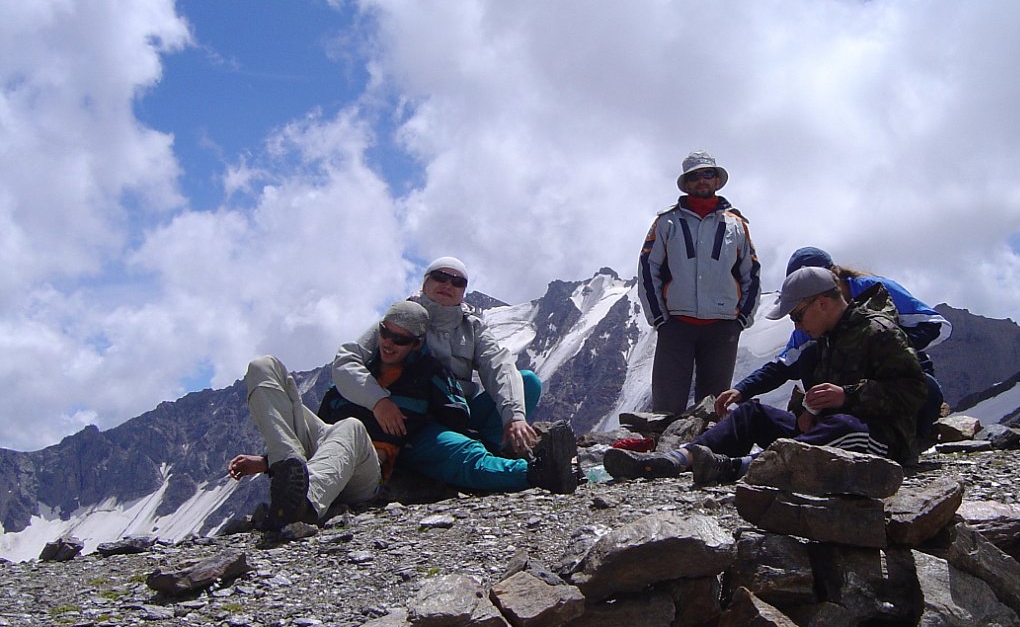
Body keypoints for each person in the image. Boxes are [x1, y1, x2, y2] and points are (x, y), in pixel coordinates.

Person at [604, 266, 927, 484]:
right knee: (752, 413)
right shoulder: (823, 344)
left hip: (880, 442)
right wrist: (807, 414)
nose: (796, 326)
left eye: (798, 316)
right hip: (828, 435)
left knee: (844, 427)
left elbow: (914, 391)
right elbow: (802, 388)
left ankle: (739, 468)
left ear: (824, 303)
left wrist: (849, 396)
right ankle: (677, 459)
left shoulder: (879, 332)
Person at [335, 259, 577, 494]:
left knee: (527, 383)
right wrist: (379, 401)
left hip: (459, 413)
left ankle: (491, 455)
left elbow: (498, 365)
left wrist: (513, 416)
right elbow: (347, 361)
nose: (447, 285)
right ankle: (537, 472)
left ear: (463, 291)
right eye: (440, 277)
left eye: (457, 282)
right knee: (463, 452)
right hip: (415, 422)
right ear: (425, 283)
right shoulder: (401, 320)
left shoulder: (471, 327)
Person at [227, 302, 437, 529]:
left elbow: (446, 428)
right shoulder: (353, 369)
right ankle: (285, 465)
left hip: (368, 471)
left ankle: (305, 500)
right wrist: (266, 462)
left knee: (351, 426)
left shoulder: (423, 378)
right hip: (329, 453)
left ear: (416, 345)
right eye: (385, 333)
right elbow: (325, 434)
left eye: (400, 339)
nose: (389, 343)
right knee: (263, 366)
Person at [719, 247, 950, 441]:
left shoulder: (876, 290)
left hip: (895, 374)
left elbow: (937, 325)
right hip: (848, 394)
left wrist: (883, 345)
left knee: (925, 387)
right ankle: (827, 427)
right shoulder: (811, 318)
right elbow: (785, 363)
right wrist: (742, 390)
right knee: (810, 356)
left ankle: (908, 438)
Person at [637, 151, 761, 414]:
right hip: (676, 326)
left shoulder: (737, 225)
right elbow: (649, 268)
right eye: (694, 176)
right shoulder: (666, 222)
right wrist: (660, 318)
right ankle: (661, 454)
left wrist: (742, 320)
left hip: (722, 327)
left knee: (713, 411)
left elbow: (752, 272)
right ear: (686, 183)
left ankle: (707, 456)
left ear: (717, 180)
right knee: (664, 410)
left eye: (708, 174)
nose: (701, 180)